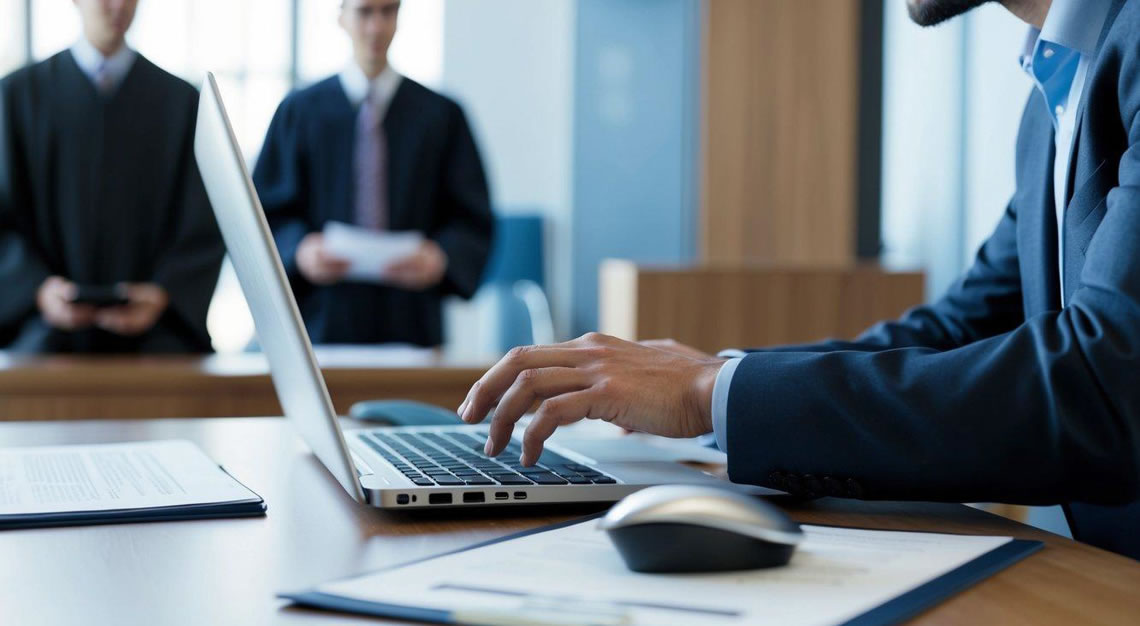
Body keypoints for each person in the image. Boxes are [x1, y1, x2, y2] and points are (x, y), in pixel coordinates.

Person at [459, 0, 1140, 560]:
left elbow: (1102, 383)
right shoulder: (1048, 106)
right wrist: (717, 380)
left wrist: (710, 393)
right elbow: (957, 329)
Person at [253, 0, 493, 347]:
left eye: (388, 11)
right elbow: (265, 212)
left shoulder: (441, 116)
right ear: (341, 17)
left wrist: (441, 258)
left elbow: (471, 218)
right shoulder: (299, 112)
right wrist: (298, 250)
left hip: (412, 323)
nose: (376, 27)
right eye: (365, 12)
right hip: (322, 323)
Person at [0, 0, 223, 353]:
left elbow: (203, 224)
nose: (118, 6)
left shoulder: (181, 103)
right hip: (42, 327)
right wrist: (37, 290)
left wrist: (164, 294)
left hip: (155, 333)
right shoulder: (16, 97)